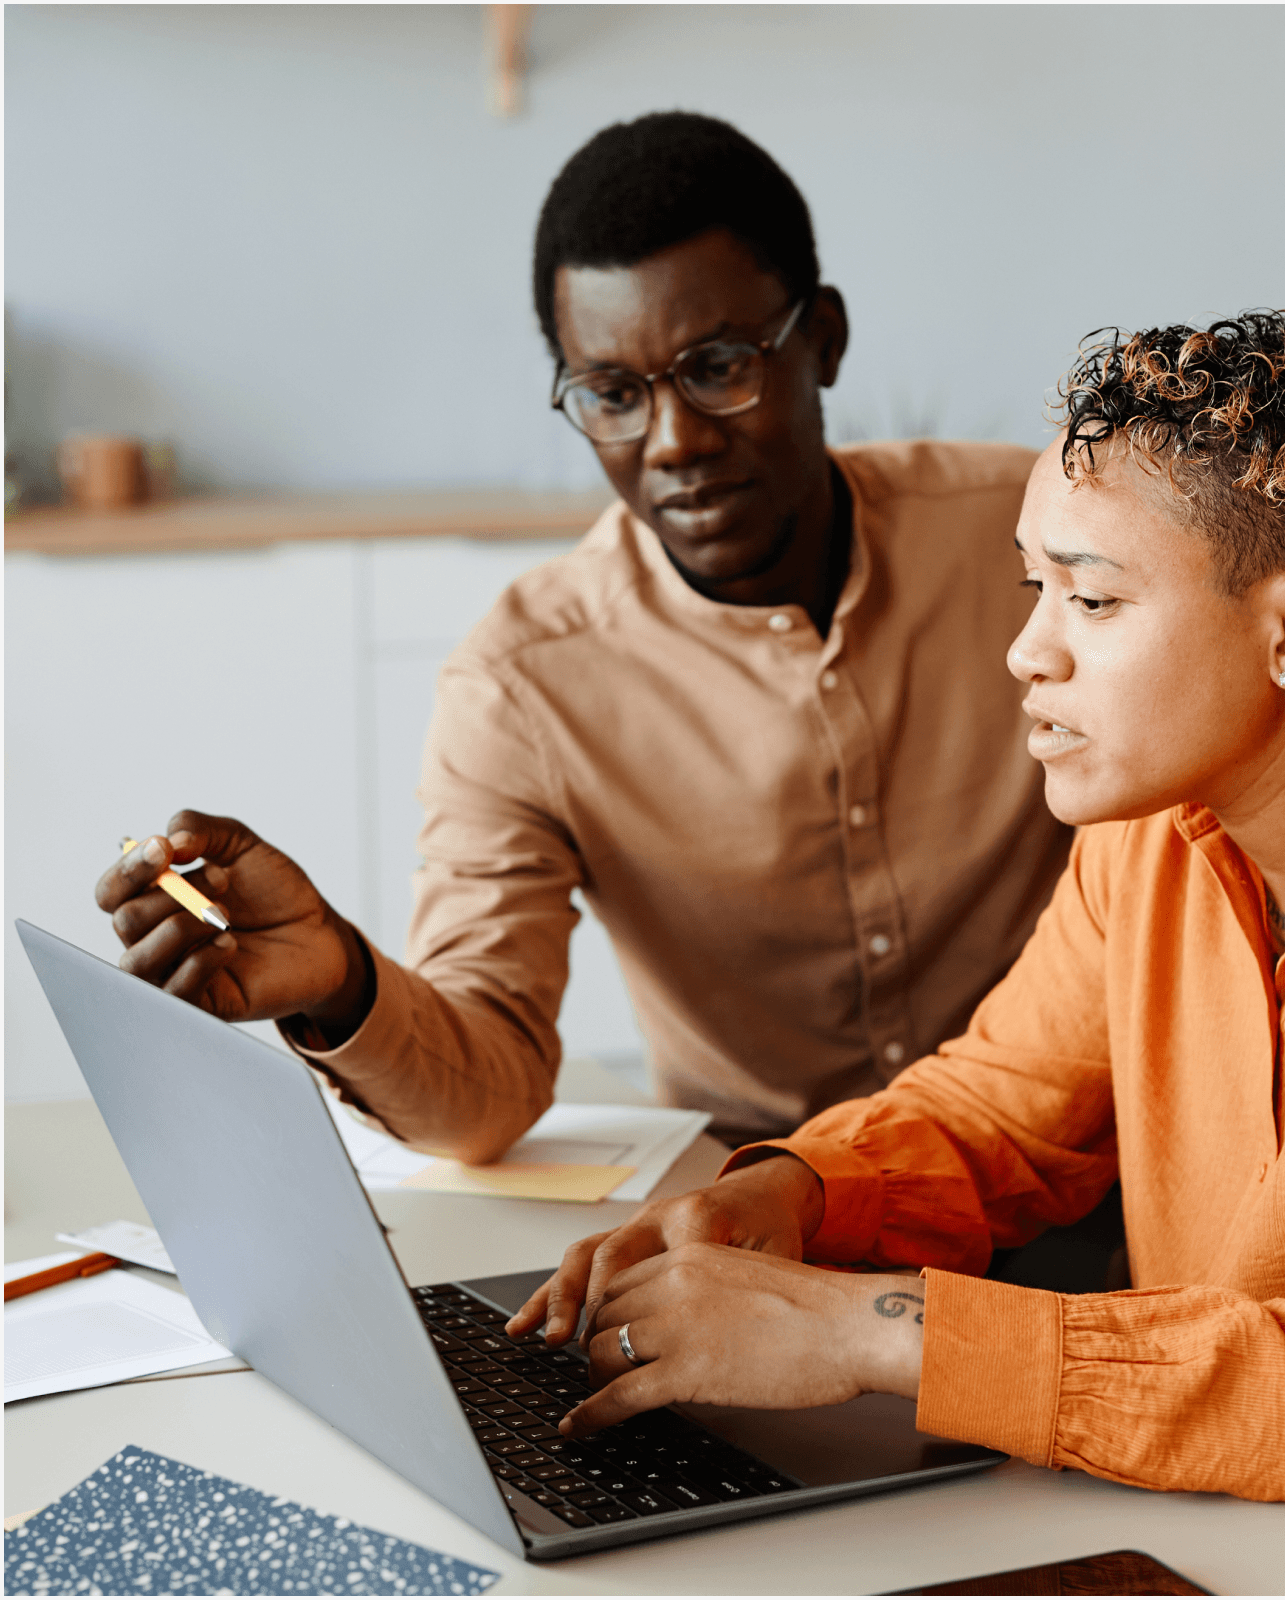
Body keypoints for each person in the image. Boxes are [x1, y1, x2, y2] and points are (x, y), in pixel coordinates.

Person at [506, 312, 1285, 1597]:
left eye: (1092, 597)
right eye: (1036, 587)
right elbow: (1001, 1107)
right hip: (1208, 1525)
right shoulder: (1171, 805)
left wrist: (866, 1331)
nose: (1030, 649)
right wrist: (791, 1196)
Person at [93, 112, 1071, 1158]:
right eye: (611, 393)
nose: (675, 441)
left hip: (1078, 1168)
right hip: (764, 1212)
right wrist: (339, 977)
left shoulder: (1035, 542)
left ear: (821, 338)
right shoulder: (522, 685)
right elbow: (488, 1089)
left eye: (717, 366)